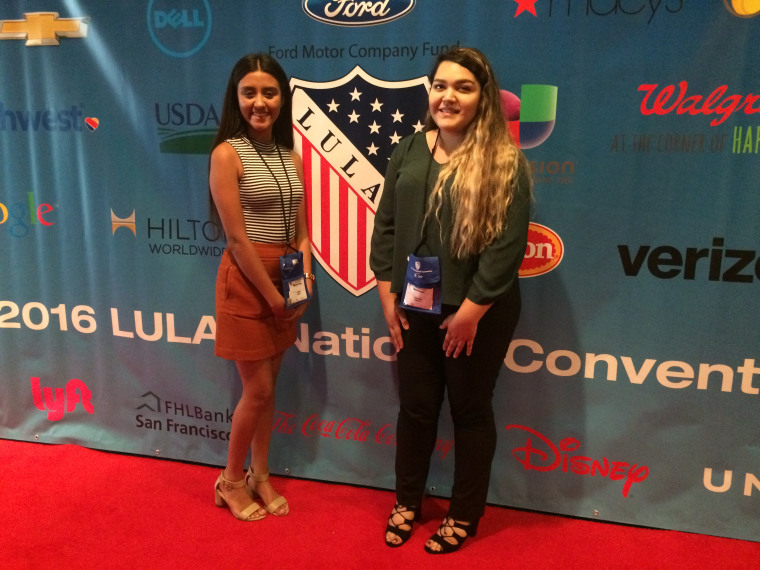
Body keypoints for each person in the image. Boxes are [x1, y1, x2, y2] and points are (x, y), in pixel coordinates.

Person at [369, 47, 532, 553]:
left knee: (469, 410)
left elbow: (508, 246)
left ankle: (464, 514)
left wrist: (469, 314)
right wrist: (385, 293)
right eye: (440, 85)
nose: (448, 96)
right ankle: (407, 500)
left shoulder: (506, 160)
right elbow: (387, 225)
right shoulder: (411, 148)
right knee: (416, 409)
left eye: (463, 87)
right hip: (414, 304)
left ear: (483, 97)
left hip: (479, 313)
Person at [208, 53, 313, 521]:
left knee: (269, 389)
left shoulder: (290, 154)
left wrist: (303, 282)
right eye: (249, 92)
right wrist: (274, 298)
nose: (260, 102)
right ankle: (230, 482)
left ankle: (260, 474)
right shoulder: (227, 153)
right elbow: (236, 237)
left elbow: (303, 234)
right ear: (236, 97)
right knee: (258, 391)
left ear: (282, 97)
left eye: (269, 92)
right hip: (248, 283)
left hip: (287, 278)